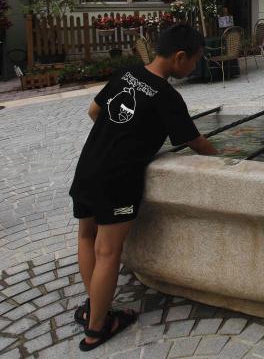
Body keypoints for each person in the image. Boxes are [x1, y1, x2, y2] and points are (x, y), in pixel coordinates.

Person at [69, 24, 218, 352]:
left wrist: (121, 135)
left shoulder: (126, 74)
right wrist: (225, 159)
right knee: (109, 252)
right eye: (194, 61)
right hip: (118, 181)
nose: (194, 67)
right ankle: (96, 329)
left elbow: (94, 111)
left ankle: (95, 305)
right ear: (179, 57)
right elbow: (194, 141)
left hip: (88, 167)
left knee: (86, 237)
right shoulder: (167, 96)